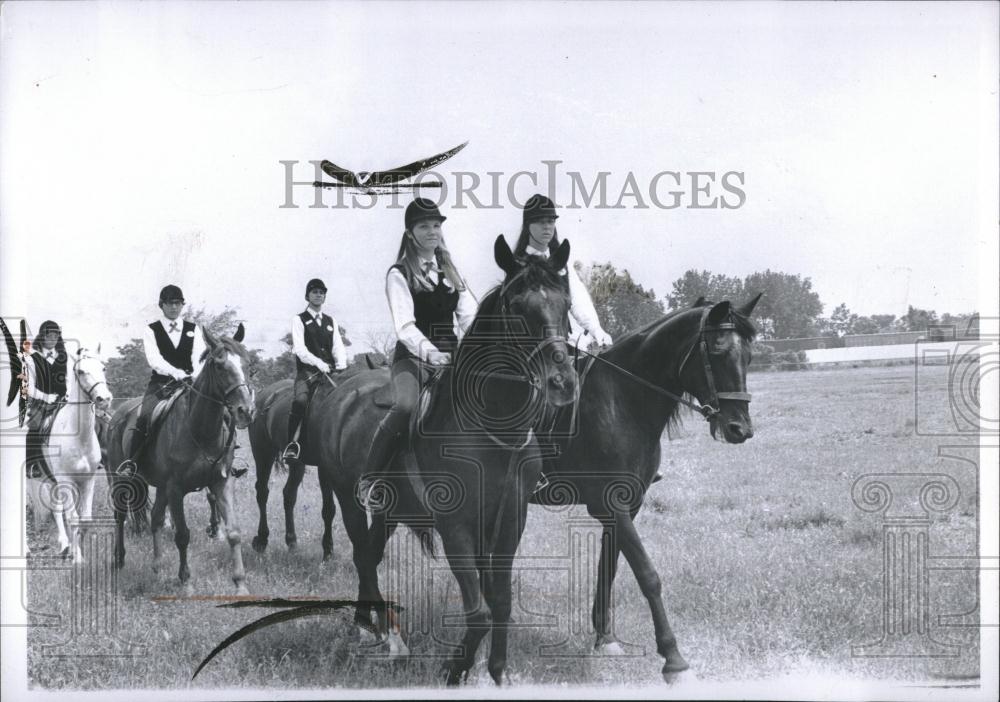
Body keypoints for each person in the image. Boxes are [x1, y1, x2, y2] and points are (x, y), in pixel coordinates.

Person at [364, 198, 476, 477]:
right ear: (410, 234)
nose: (432, 231)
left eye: (436, 225)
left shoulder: (451, 272)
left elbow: (468, 316)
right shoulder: (398, 273)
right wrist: (431, 353)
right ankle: (373, 477)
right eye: (424, 226)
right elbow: (405, 326)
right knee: (405, 406)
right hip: (413, 359)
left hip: (452, 356)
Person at [118, 284, 207, 472]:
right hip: (161, 384)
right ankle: (132, 461)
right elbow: (154, 359)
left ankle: (227, 457)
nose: (174, 307)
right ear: (162, 305)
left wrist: (194, 375)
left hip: (191, 383)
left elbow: (199, 356)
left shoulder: (193, 329)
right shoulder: (152, 330)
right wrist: (177, 373)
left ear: (182, 305)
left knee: (217, 408)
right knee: (144, 415)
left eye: (177, 303)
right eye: (169, 303)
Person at [514, 193, 614, 347]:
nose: (547, 226)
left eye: (550, 221)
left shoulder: (562, 266)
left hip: (566, 345)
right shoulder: (517, 266)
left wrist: (597, 330)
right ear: (528, 225)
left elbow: (578, 300)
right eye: (541, 222)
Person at [281, 278, 348, 462]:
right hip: (308, 373)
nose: (318, 295)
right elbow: (300, 350)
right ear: (307, 295)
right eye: (314, 292)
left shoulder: (330, 320)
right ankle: (291, 445)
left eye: (321, 292)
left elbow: (337, 346)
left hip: (331, 372)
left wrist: (341, 364)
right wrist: (319, 363)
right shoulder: (299, 319)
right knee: (301, 401)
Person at [24, 320, 68, 480]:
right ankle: (31, 464)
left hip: (63, 400)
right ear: (42, 337)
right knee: (35, 426)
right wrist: (46, 397)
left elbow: (68, 379)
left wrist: (68, 393)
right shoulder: (32, 357)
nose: (53, 339)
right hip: (41, 402)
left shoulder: (63, 356)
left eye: (56, 336)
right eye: (50, 336)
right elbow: (28, 387)